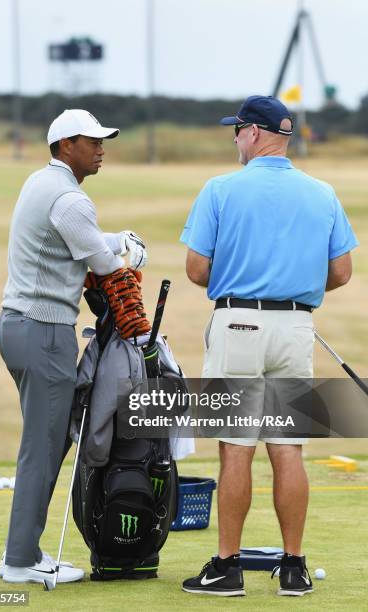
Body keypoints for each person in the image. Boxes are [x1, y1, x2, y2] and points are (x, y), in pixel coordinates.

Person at [180, 95, 358, 597]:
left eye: (235, 131)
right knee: (288, 449)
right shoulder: (322, 193)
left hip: (238, 324)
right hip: (297, 327)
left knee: (235, 449)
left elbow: (196, 270)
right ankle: (294, 566)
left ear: (253, 133)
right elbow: (341, 273)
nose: (234, 140)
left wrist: (243, 278)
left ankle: (227, 568)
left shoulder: (220, 189)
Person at [0, 109, 147, 584]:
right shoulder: (71, 198)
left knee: (46, 441)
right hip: (44, 332)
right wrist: (124, 251)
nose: (101, 149)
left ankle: (24, 552)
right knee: (42, 446)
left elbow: (78, 241)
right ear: (66, 145)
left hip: (21, 326)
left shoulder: (42, 183)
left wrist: (117, 238)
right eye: (92, 142)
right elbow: (102, 265)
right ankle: (20, 561)